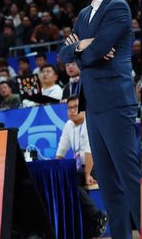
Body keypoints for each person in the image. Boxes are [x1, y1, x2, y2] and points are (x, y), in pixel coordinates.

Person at [59, 0, 140, 238]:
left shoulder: (117, 6)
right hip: (92, 104)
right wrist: (84, 45)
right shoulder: (84, 14)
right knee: (105, 177)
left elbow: (96, 52)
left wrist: (84, 49)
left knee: (128, 174)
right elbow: (64, 54)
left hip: (115, 100)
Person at [55, 96, 108, 237]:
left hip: (97, 165)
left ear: (83, 109)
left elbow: (90, 151)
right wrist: (56, 169)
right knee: (65, 182)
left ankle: (98, 216)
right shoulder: (69, 125)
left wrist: (88, 174)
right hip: (80, 167)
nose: (72, 110)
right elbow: (61, 151)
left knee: (71, 184)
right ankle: (80, 225)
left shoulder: (89, 123)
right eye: (69, 108)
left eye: (75, 107)